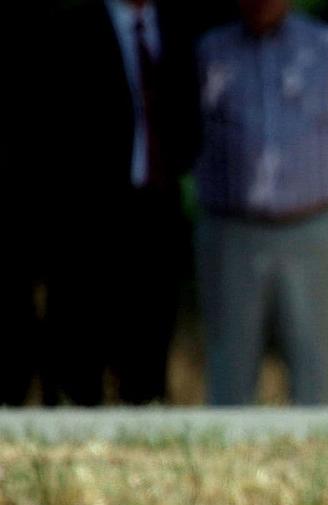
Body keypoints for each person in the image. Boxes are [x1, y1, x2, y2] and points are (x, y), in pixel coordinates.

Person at [193, 0, 328, 405]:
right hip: (231, 229)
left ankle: (316, 443)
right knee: (228, 366)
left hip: (313, 228)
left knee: (315, 365)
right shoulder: (208, 52)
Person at [45, 0, 200, 405]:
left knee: (148, 362)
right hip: (85, 220)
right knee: (79, 359)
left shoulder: (178, 27)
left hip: (158, 213)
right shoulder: (69, 26)